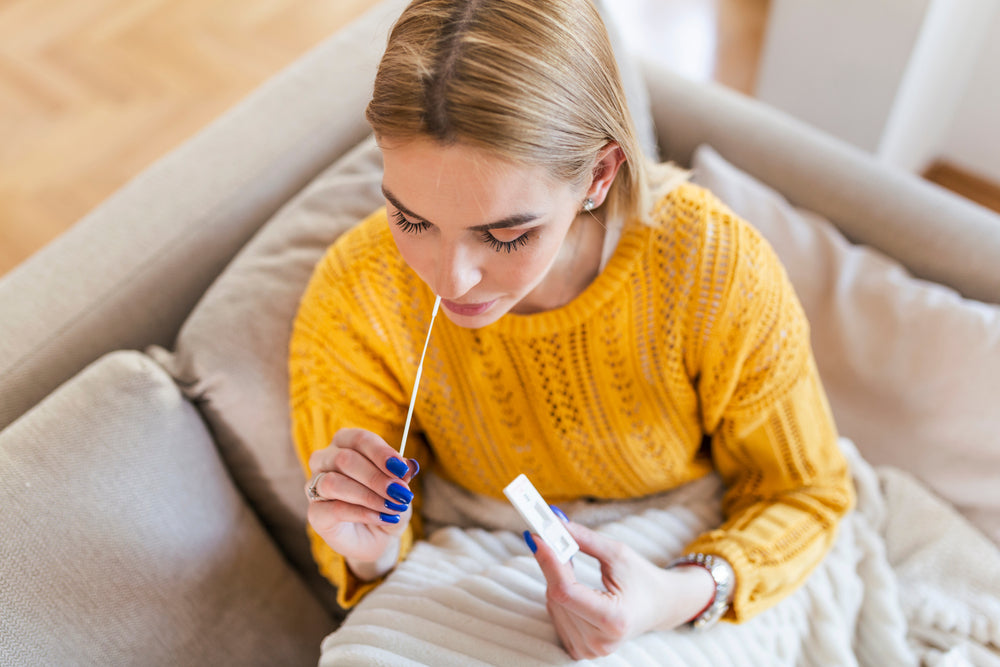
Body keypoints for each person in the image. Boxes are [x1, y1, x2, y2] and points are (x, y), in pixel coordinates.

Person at [289, 0, 854, 659]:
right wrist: (371, 549)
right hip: (474, 548)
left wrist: (674, 594)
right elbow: (374, 567)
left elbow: (806, 492)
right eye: (411, 221)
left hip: (691, 547)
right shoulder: (358, 294)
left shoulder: (713, 268)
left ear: (599, 174)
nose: (450, 281)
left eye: (505, 234)